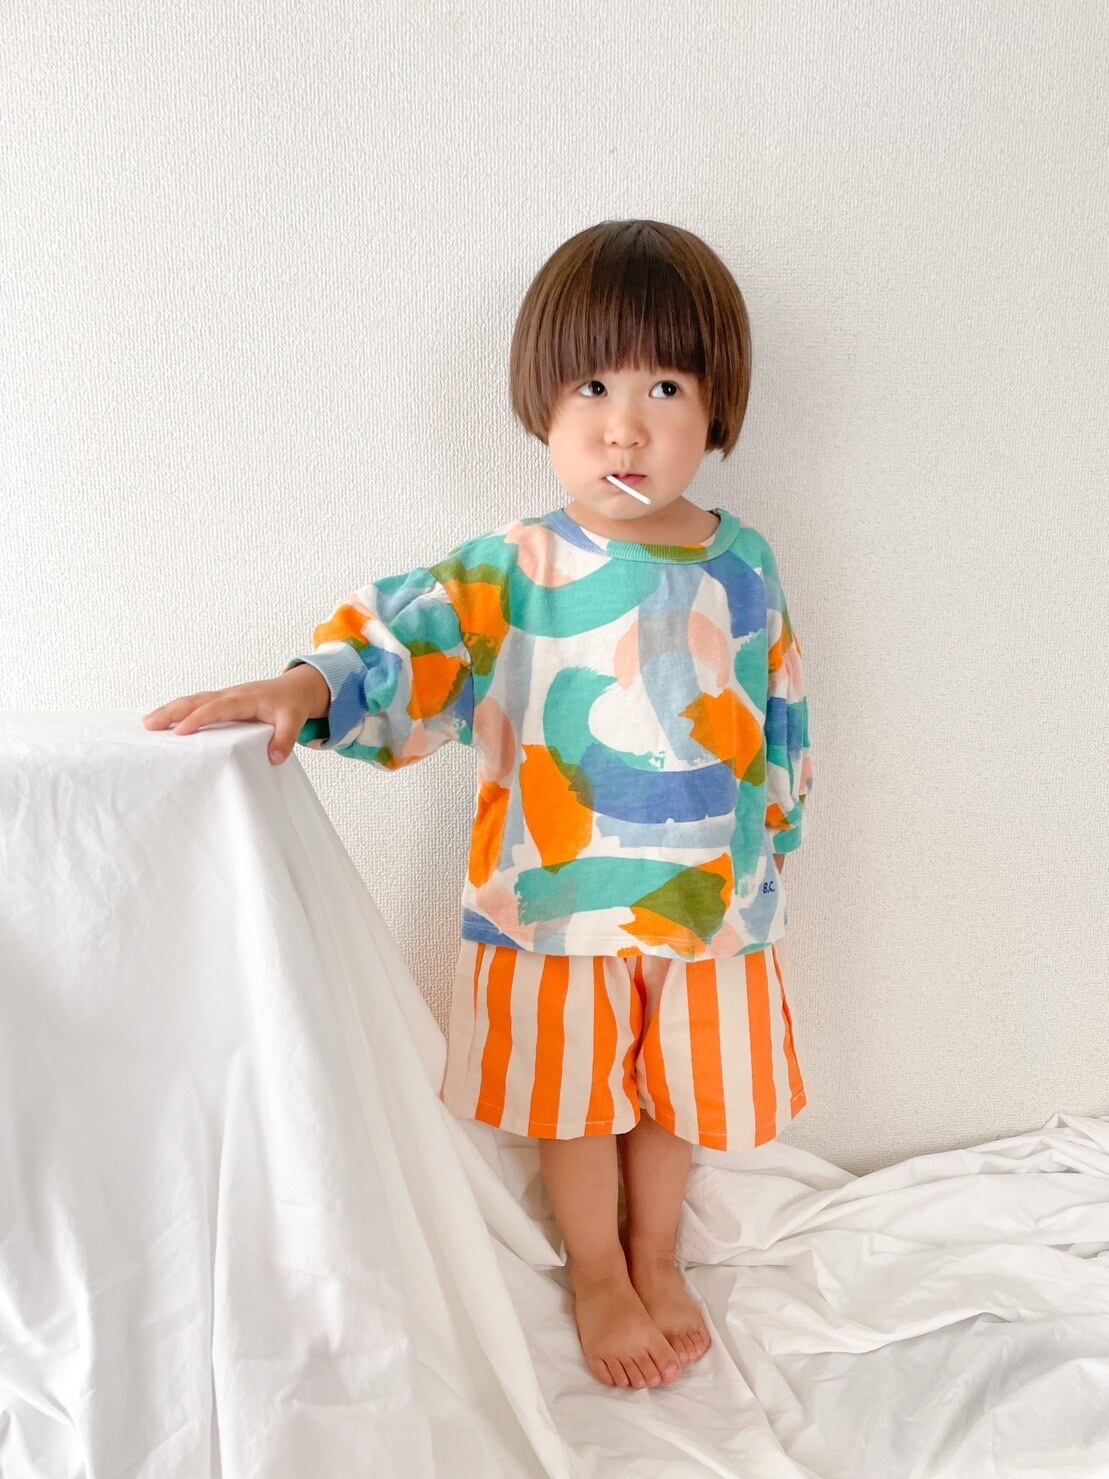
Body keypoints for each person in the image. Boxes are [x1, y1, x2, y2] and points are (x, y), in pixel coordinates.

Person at [142, 219, 814, 1394]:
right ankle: (597, 1273)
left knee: (677, 1097)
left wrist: (779, 837)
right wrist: (303, 689)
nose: (624, 426)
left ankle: (658, 1256)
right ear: (541, 402)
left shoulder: (742, 560)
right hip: (552, 901)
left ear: (717, 405)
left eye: (664, 387)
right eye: (591, 387)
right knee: (575, 1100)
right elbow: (406, 643)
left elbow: (782, 710)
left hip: (707, 900)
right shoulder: (512, 570)